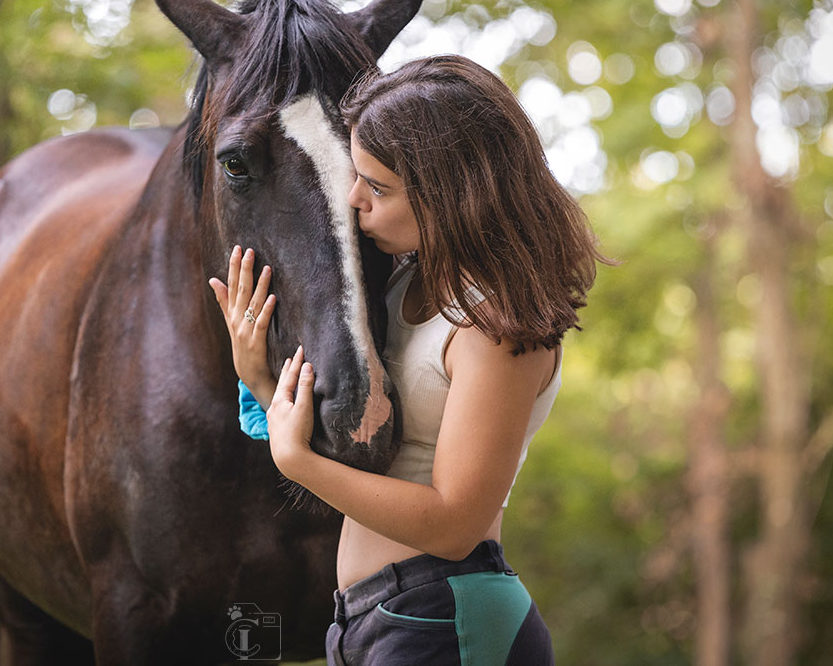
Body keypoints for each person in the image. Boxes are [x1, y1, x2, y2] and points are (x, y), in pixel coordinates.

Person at [209, 55, 608, 665]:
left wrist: (296, 463)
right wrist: (260, 379)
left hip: (447, 621)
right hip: (369, 622)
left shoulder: (495, 327)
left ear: (450, 192)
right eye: (356, 176)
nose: (353, 200)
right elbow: (364, 462)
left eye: (378, 187)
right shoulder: (402, 287)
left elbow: (453, 526)